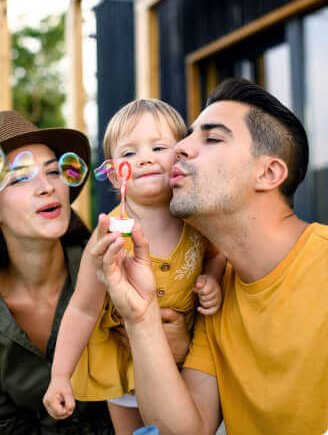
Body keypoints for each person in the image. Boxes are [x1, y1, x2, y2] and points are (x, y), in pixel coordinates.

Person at [91, 78, 328, 435]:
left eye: (212, 138)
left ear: (268, 173)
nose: (180, 148)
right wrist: (141, 319)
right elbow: (184, 432)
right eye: (187, 136)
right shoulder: (213, 294)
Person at [43, 100, 225, 434]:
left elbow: (216, 255)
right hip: (124, 360)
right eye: (128, 154)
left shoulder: (197, 216)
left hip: (190, 353)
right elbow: (83, 308)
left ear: (182, 155)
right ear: (114, 174)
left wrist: (211, 280)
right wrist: (59, 376)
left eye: (158, 147)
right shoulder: (109, 236)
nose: (144, 158)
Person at [0, 110, 113, 434]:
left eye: (53, 171)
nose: (47, 186)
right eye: (20, 177)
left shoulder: (110, 267)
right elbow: (7, 426)